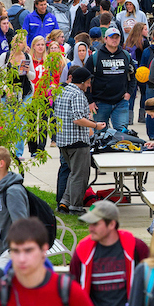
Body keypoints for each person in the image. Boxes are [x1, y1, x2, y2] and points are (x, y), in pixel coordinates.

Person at [55, 68, 105, 214]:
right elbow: (78, 119)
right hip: (76, 141)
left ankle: (65, 202)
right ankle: (75, 207)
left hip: (63, 140)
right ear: (82, 82)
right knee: (80, 175)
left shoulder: (62, 91)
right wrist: (95, 125)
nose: (89, 85)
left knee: (73, 174)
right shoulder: (78, 94)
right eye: (88, 82)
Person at [0, 146, 30, 260]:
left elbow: (21, 225)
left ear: (1, 164)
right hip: (0, 250)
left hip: (11, 253)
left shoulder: (13, 191)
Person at [88, 27, 136, 131]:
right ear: (105, 39)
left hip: (120, 102)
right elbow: (86, 80)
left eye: (117, 38)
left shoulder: (125, 56)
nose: (114, 40)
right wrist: (90, 101)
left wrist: (129, 93)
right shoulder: (95, 57)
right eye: (111, 37)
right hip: (100, 103)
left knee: (122, 134)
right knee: (100, 135)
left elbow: (133, 76)